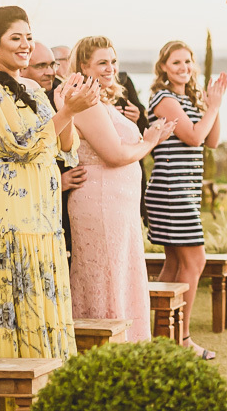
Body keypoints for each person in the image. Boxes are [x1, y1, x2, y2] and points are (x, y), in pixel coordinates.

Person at [0, 7, 99, 411]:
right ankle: (10, 410)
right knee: (18, 295)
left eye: (29, 37)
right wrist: (64, 111)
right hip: (10, 212)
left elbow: (66, 145)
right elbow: (21, 145)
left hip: (44, 213)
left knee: (44, 293)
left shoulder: (31, 87)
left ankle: (51, 401)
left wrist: (70, 107)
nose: (26, 44)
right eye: (16, 38)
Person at [67, 37, 175, 343]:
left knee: (122, 278)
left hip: (119, 208)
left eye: (114, 61)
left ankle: (129, 350)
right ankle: (106, 353)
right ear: (83, 66)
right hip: (101, 204)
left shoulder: (102, 101)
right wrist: (150, 140)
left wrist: (147, 135)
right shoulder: (84, 101)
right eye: (102, 62)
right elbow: (114, 155)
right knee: (106, 280)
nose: (111, 68)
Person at [145, 41, 227, 360]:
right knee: (195, 261)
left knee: (177, 263)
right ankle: (182, 339)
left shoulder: (188, 98)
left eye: (188, 61)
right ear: (163, 66)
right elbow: (193, 136)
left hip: (184, 191)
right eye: (176, 62)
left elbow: (213, 140)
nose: (184, 67)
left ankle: (162, 339)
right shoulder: (164, 99)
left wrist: (213, 104)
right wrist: (212, 109)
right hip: (171, 190)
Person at [20, 42, 88, 254]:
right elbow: (25, 153)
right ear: (22, 68)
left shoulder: (57, 93)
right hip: (25, 206)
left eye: (52, 64)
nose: (51, 72)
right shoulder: (10, 99)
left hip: (61, 208)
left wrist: (66, 109)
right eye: (41, 66)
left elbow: (67, 146)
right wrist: (59, 182)